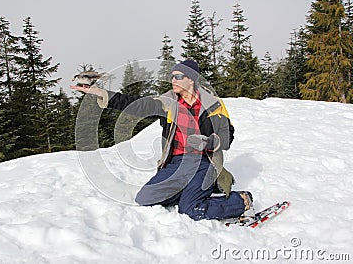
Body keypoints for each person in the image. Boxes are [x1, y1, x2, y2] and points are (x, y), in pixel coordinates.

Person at [71, 60, 253, 221]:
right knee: (146, 198)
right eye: (172, 76)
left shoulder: (213, 104)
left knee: (190, 209)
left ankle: (240, 201)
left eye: (178, 76)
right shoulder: (167, 102)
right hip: (176, 164)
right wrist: (103, 94)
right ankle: (190, 191)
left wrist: (209, 142)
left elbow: (227, 136)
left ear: (191, 79)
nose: (173, 80)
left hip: (204, 163)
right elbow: (138, 105)